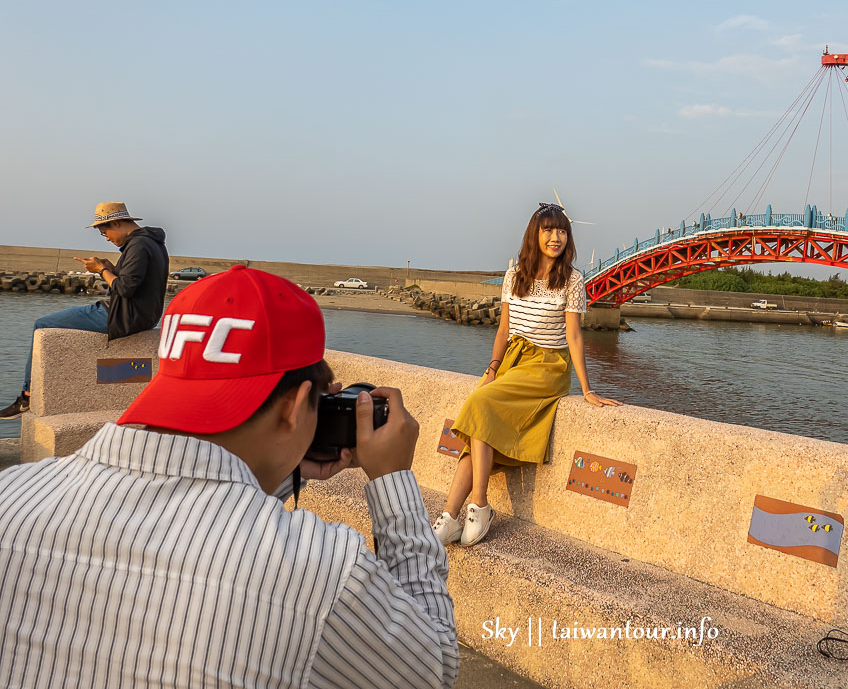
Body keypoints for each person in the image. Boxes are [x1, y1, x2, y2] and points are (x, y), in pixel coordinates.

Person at [0, 266, 459, 688]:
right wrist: (392, 482)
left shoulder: (13, 495)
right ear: (298, 405)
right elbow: (432, 667)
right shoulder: (321, 571)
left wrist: (274, 475)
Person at [433, 202, 621, 548]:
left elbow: (575, 337)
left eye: (562, 230)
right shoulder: (515, 274)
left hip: (548, 366)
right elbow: (504, 328)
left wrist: (588, 389)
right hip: (512, 361)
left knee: (479, 405)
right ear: (534, 234)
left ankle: (480, 505)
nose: (556, 237)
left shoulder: (573, 280)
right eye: (549, 230)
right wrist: (492, 367)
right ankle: (450, 516)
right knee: (478, 428)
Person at [1, 201, 169, 419]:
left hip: (121, 316)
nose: (107, 237)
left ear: (117, 223)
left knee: (41, 324)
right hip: (143, 316)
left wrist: (100, 270)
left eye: (104, 231)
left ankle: (27, 395)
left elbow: (126, 288)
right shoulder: (153, 243)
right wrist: (111, 268)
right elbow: (134, 282)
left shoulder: (138, 246)